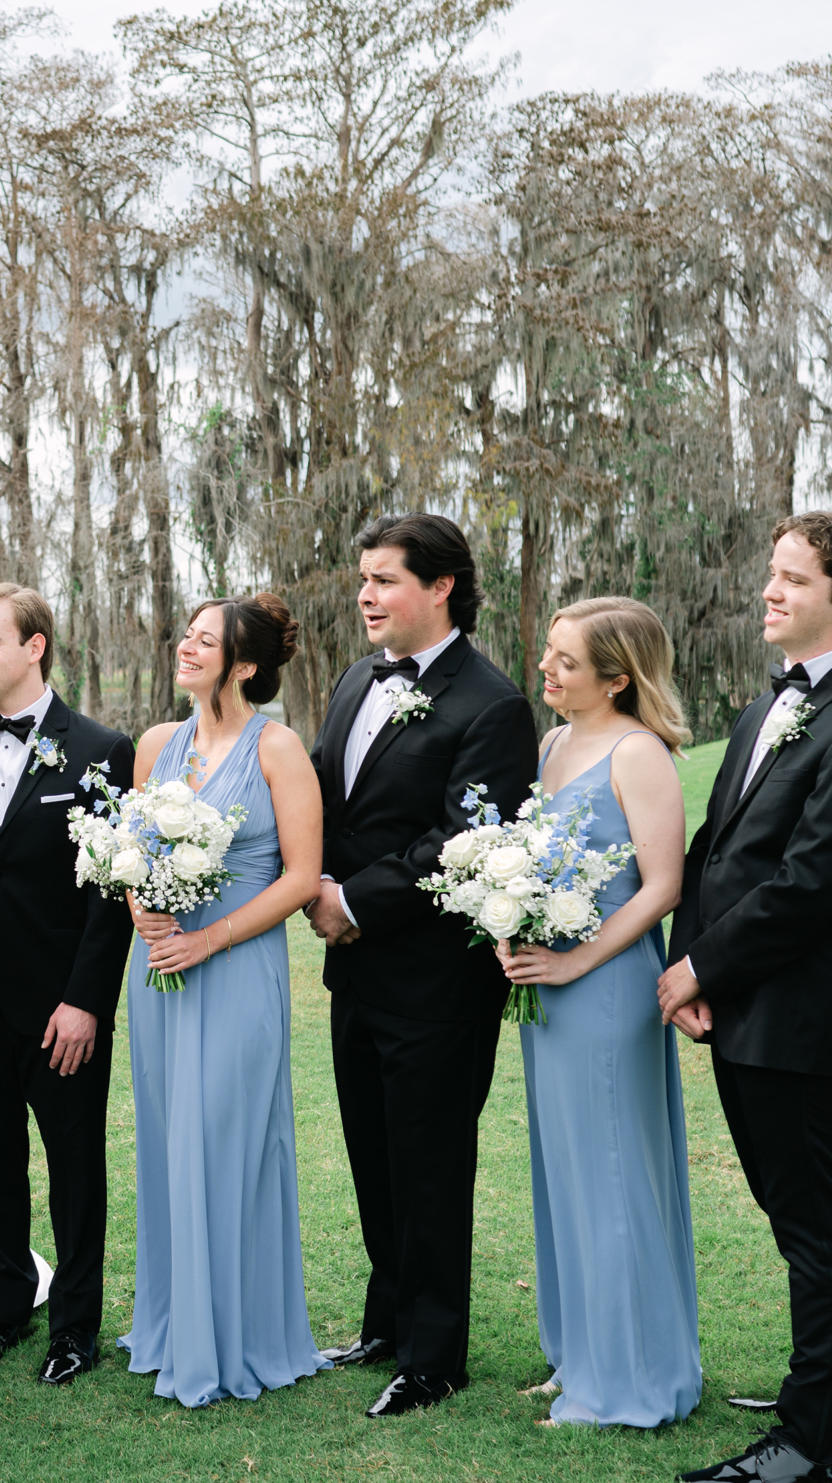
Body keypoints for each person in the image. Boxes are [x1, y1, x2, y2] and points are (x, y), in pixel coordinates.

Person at [661, 513, 832, 1483]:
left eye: (792, 580)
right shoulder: (772, 703)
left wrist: (700, 970)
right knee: (799, 1209)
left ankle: (815, 1448)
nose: (769, 592)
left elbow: (816, 888)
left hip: (801, 1010)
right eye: (771, 574)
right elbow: (715, 851)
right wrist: (693, 962)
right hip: (743, 1000)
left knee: (808, 1219)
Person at [304, 513, 536, 1417]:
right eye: (362, 578)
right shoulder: (356, 679)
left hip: (436, 979)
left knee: (429, 1161)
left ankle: (435, 1355)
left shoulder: (493, 704)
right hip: (353, 972)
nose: (366, 595)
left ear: (440, 588)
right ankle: (388, 1321)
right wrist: (316, 877)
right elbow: (328, 794)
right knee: (371, 1147)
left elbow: (467, 839)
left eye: (384, 579)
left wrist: (354, 901)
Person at [123, 594, 327, 1407]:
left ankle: (240, 1336)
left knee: (229, 1141)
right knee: (171, 1143)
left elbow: (302, 878)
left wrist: (209, 939)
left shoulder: (278, 750)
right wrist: (138, 902)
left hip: (237, 970)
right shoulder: (153, 746)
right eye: (186, 634)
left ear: (244, 664)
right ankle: (173, 1327)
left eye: (205, 641)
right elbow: (132, 851)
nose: (186, 647)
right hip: (159, 971)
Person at [500, 596, 699, 1428]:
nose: (546, 668)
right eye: (548, 653)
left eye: (566, 662)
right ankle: (581, 1349)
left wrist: (578, 958)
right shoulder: (550, 744)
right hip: (547, 989)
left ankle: (627, 1379)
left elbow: (663, 885)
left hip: (608, 989)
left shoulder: (638, 752)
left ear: (617, 678)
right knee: (565, 1174)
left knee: (613, 1173)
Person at [0, 583, 136, 1385]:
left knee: (76, 1166)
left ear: (35, 647)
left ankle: (76, 1329)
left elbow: (111, 893)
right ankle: (5, 1308)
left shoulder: (101, 748)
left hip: (63, 1005)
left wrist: (86, 999)